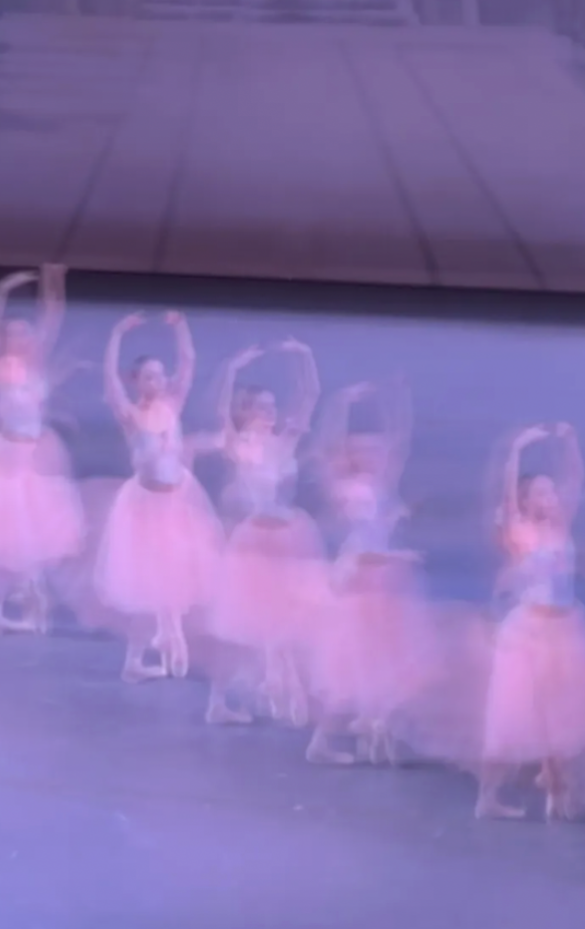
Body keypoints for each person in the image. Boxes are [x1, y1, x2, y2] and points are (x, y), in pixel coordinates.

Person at [476, 423, 585, 821]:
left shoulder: (561, 525)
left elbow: (577, 477)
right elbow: (505, 490)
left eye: (551, 491)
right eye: (541, 491)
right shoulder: (519, 532)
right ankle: (490, 795)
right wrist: (517, 448)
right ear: (525, 500)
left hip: (566, 627)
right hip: (530, 633)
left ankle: (556, 783)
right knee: (519, 718)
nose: (551, 496)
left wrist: (570, 441)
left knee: (559, 714)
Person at [304, 379, 438, 764]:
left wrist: (397, 399)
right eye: (367, 451)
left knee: (383, 660)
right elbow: (365, 548)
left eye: (378, 450)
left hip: (383, 580)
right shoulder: (348, 492)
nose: (378, 456)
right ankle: (324, 741)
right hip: (362, 577)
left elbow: (401, 443)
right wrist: (341, 405)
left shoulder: (380, 485)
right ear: (353, 456)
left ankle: (373, 727)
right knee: (352, 665)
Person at [92, 311, 223, 682]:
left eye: (160, 374)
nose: (158, 380)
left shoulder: (173, 405)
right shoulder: (130, 414)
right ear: (136, 381)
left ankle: (169, 632)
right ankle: (140, 655)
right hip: (144, 506)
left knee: (174, 574)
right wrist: (116, 333)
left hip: (178, 500)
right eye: (149, 375)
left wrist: (181, 327)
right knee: (146, 582)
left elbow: (189, 364)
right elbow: (109, 380)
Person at [199, 339, 324, 726]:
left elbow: (310, 395)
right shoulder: (241, 446)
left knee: (284, 618)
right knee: (244, 624)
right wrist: (233, 368)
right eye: (263, 406)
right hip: (252, 541)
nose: (271, 412)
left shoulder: (284, 442)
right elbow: (221, 409)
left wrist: (305, 355)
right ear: (248, 411)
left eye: (273, 406)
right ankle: (220, 699)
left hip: (286, 536)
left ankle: (280, 686)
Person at [0, 266, 83, 634]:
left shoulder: (36, 365)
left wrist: (54, 282)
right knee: (8, 534)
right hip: (6, 457)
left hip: (36, 452)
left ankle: (23, 601)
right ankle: (7, 604)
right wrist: (2, 290)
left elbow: (52, 318)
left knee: (33, 530)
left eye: (23, 331)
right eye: (13, 332)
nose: (21, 335)